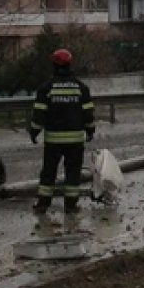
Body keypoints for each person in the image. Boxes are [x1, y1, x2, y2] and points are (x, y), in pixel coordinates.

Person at [29, 48, 96, 214]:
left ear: (54, 65)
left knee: (49, 172)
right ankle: (71, 206)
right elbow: (88, 113)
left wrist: (34, 132)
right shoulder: (81, 88)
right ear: (70, 64)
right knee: (73, 173)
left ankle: (43, 204)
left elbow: (39, 114)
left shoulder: (46, 88)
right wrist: (90, 130)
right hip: (75, 140)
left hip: (53, 141)